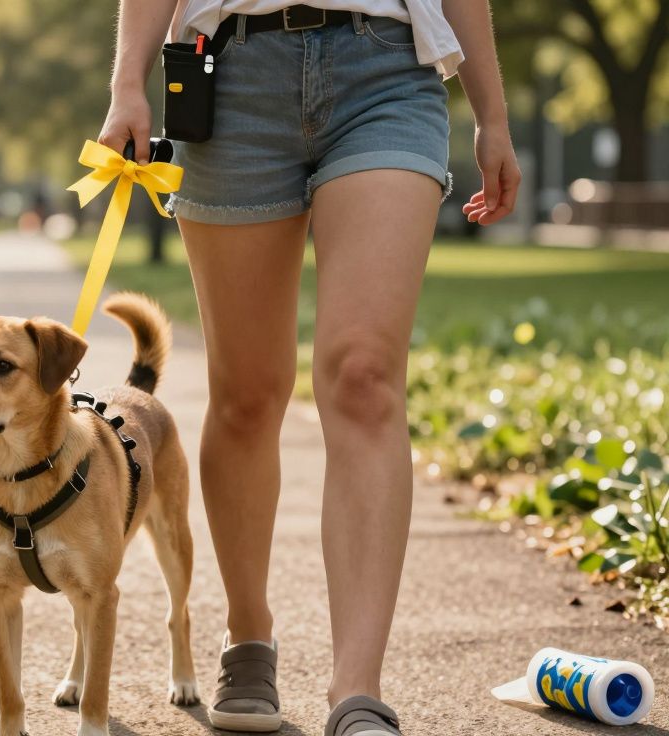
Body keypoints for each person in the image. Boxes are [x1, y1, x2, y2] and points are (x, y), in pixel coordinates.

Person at [100, 1, 518, 734]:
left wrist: (493, 114)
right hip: (229, 72)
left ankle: (357, 691)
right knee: (247, 395)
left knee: (363, 376)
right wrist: (126, 83)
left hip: (386, 69)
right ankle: (248, 633)